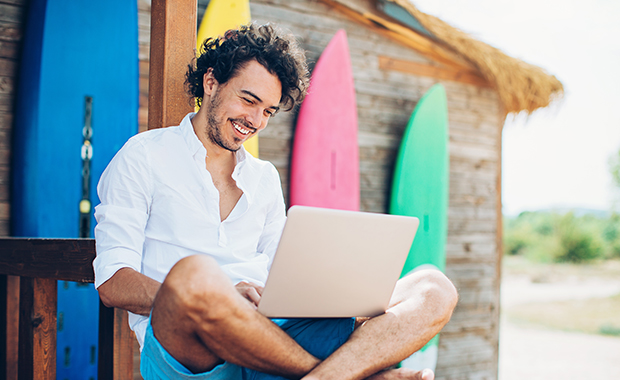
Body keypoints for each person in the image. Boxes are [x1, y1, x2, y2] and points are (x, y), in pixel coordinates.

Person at [93, 23, 458, 380]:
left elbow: (281, 271)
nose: (255, 121)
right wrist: (221, 296)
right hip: (191, 349)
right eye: (248, 100)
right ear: (211, 83)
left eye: (268, 111)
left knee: (433, 288)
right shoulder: (143, 157)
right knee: (196, 275)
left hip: (271, 336)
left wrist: (330, 291)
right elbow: (112, 282)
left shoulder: (263, 177)